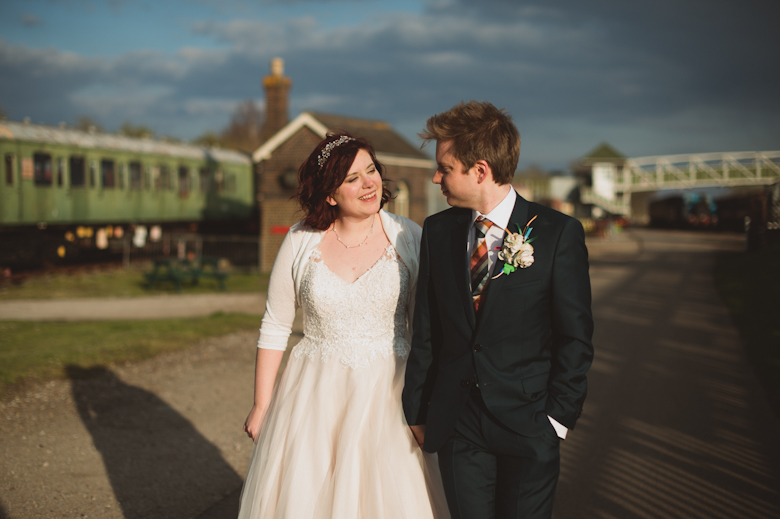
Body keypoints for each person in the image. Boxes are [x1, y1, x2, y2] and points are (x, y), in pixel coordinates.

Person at [237, 132, 450, 519]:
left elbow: (425, 331)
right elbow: (275, 324)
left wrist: (425, 404)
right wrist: (261, 404)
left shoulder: (409, 236)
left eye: (371, 171)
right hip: (314, 395)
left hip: (390, 393)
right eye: (352, 178)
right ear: (330, 194)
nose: (369, 183)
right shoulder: (300, 240)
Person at [402, 101, 594, 519]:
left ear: (480, 170)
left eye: (444, 168)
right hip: (459, 426)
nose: (436, 178)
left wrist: (556, 420)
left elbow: (575, 336)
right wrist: (417, 410)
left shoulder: (558, 233)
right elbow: (428, 328)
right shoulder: (439, 230)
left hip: (530, 425)